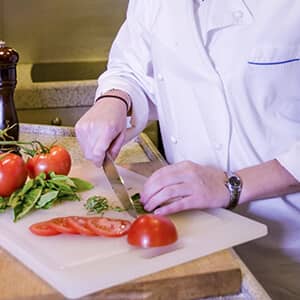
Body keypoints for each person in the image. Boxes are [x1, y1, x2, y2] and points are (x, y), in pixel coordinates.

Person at [75, 1, 300, 299]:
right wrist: (116, 99)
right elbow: (132, 66)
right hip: (201, 234)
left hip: (288, 248)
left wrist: (231, 185)